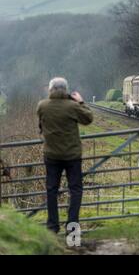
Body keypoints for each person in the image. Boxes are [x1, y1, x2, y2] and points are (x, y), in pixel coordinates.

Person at [37, 77, 93, 233]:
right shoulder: (72, 106)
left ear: (50, 90)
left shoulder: (42, 106)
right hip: (72, 156)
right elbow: (88, 119)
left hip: (51, 155)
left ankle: (52, 226)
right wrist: (80, 102)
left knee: (51, 190)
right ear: (66, 90)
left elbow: (41, 124)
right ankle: (72, 227)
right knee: (75, 190)